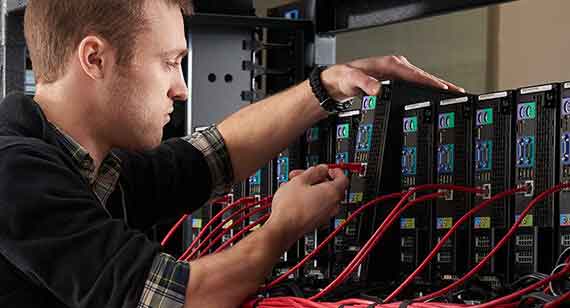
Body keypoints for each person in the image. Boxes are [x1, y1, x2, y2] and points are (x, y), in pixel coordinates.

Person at [0, 0, 464, 307]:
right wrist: (283, 227)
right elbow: (178, 299)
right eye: (168, 62)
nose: (181, 88)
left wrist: (325, 87)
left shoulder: (89, 166)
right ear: (95, 58)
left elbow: (212, 156)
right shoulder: (14, 172)